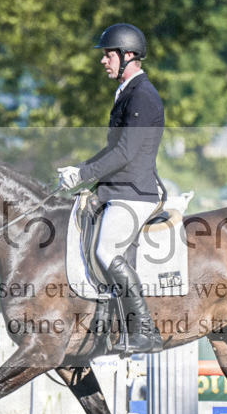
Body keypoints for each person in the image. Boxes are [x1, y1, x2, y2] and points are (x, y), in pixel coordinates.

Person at [58, 23, 165, 354]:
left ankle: (146, 331)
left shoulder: (143, 95)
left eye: (108, 55)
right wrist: (79, 172)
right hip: (119, 189)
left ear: (127, 55)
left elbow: (125, 153)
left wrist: (84, 175)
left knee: (107, 251)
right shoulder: (127, 93)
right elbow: (111, 149)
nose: (104, 61)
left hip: (136, 192)